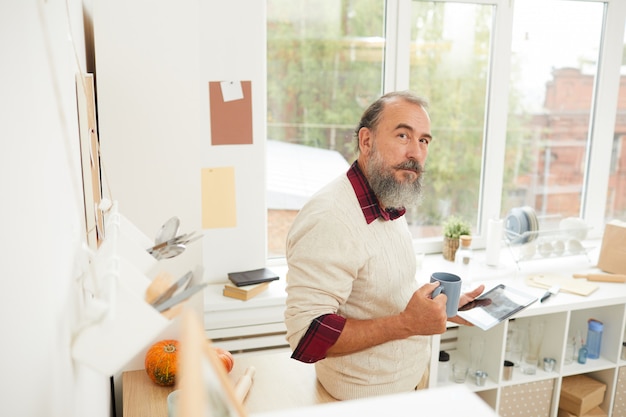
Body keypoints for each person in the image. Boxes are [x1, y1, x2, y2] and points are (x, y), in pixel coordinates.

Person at [283, 91, 485, 400]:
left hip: (406, 386)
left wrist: (444, 309)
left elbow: (381, 289)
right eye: (403, 135)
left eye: (424, 141)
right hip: (364, 399)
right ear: (366, 141)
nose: (416, 153)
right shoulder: (331, 218)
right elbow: (307, 337)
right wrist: (407, 324)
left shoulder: (386, 197)